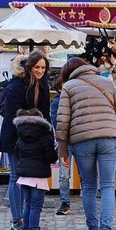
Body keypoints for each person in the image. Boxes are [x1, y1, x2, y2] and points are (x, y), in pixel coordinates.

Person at [56, 57, 116, 230]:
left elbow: (62, 121)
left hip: (82, 140)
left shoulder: (69, 87)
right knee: (107, 186)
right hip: (108, 137)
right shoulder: (106, 82)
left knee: (88, 186)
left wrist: (62, 149)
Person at [0, 51, 51, 230]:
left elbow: (45, 114)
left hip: (34, 138)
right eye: (37, 67)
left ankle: (26, 218)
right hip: (14, 136)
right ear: (29, 67)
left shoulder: (43, 87)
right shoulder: (16, 86)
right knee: (16, 177)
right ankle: (16, 220)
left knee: (29, 178)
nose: (40, 70)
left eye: (43, 68)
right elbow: (13, 113)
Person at [14, 108, 58, 230]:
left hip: (24, 175)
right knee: (36, 206)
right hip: (38, 176)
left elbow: (17, 153)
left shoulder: (21, 136)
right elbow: (50, 157)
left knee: (27, 204)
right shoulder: (45, 137)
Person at [51, 75, 71, 216]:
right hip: (64, 140)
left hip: (75, 138)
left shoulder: (74, 97)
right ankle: (65, 202)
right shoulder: (56, 102)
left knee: (83, 173)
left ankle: (87, 198)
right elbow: (55, 122)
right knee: (64, 174)